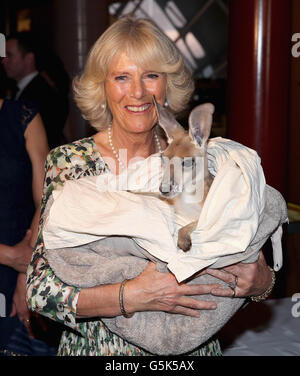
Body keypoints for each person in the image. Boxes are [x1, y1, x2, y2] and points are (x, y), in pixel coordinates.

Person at [26, 16, 275, 356]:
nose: (138, 92)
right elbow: (40, 291)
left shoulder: (203, 159)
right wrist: (130, 296)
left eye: (151, 76)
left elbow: (233, 258)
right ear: (103, 87)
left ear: (167, 85)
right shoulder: (70, 163)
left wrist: (261, 282)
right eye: (122, 77)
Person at [0, 94, 53, 355]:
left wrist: (25, 272)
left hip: (15, 278)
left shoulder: (22, 115)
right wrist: (10, 256)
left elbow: (47, 199)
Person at [1, 32, 69, 149]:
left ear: (28, 59)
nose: (3, 61)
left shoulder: (42, 94)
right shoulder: (18, 90)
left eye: (9, 55)